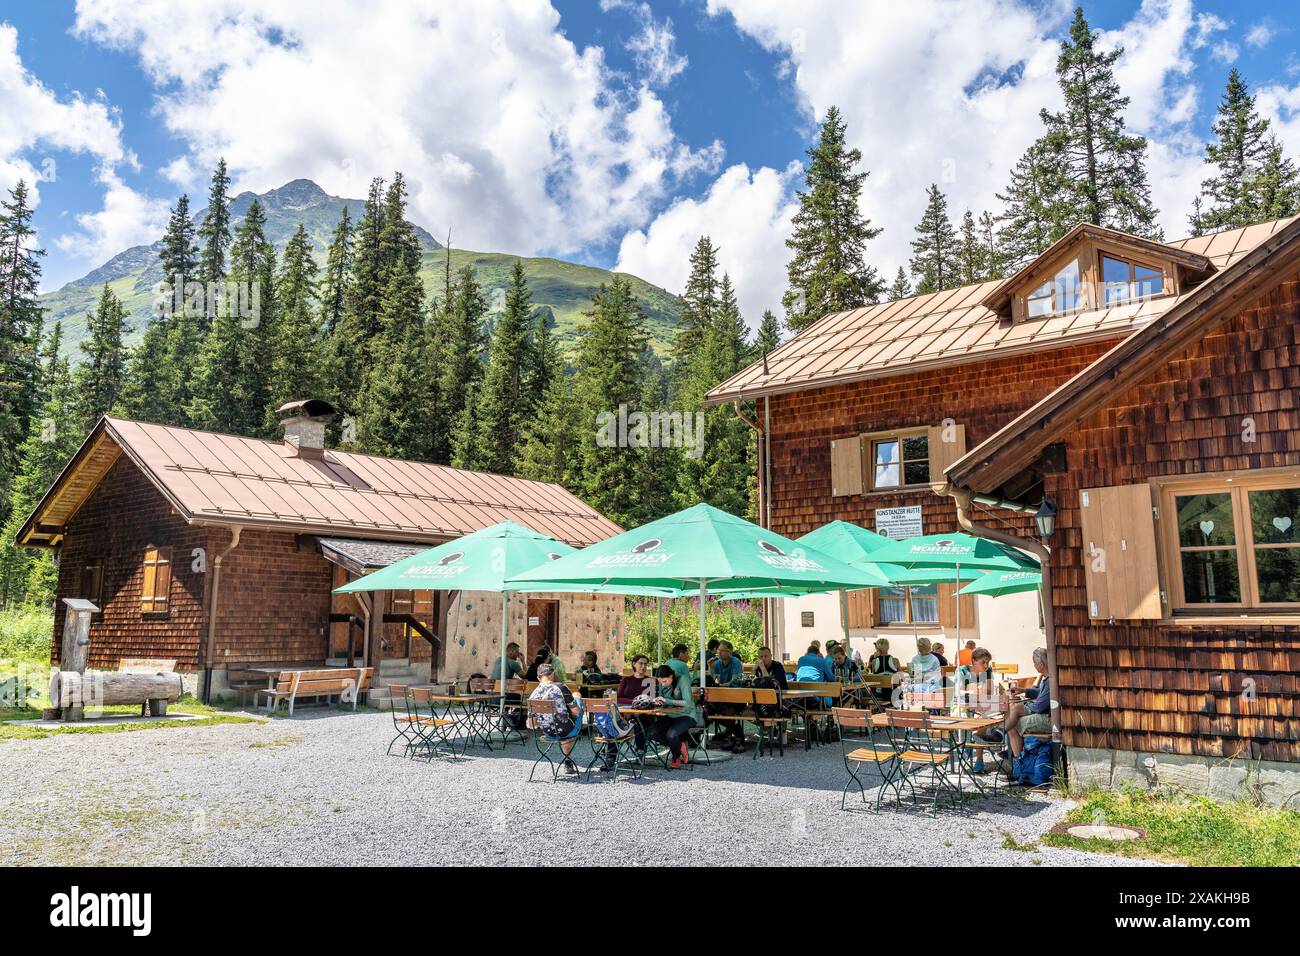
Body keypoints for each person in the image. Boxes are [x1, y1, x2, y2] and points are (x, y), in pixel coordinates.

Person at [527, 664, 583, 775]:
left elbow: (531, 725)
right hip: (568, 730)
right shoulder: (561, 687)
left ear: (538, 678)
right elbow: (576, 712)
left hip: (548, 733)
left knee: (559, 722)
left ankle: (568, 762)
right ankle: (567, 761)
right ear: (552, 674)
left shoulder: (533, 695)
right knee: (576, 695)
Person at [1004, 647, 1051, 760]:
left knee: (1013, 723)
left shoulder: (1050, 680)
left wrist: (1026, 705)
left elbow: (1039, 707)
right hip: (1046, 714)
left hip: (1049, 719)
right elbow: (1041, 693)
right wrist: (1024, 690)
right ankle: (1001, 734)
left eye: (1035, 663)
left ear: (1040, 664)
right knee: (1015, 711)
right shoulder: (1048, 678)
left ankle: (1020, 763)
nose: (1034, 666)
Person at [649, 664, 699, 769]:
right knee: (652, 733)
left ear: (671, 676)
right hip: (670, 714)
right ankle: (680, 746)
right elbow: (664, 701)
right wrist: (658, 702)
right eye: (660, 682)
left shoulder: (682, 679)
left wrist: (667, 700)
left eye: (665, 681)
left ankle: (675, 757)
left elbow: (688, 703)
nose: (662, 685)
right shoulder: (663, 684)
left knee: (671, 735)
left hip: (687, 715)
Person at [707, 640, 748, 752]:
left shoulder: (735, 662)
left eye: (722, 651)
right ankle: (736, 732)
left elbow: (736, 682)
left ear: (730, 652)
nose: (719, 653)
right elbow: (714, 682)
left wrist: (720, 685)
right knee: (709, 709)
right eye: (718, 651)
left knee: (728, 710)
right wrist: (710, 668)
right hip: (721, 697)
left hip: (736, 698)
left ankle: (731, 736)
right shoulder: (717, 663)